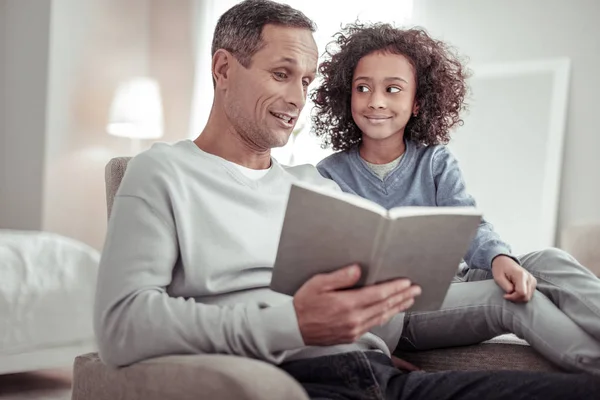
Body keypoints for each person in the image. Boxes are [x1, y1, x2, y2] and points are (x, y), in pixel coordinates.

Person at [94, 1, 600, 399]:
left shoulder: (314, 187)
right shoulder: (162, 172)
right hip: (310, 382)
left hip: (387, 376)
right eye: (281, 74)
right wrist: (294, 323)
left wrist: (372, 325)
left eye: (307, 81)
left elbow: (391, 316)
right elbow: (122, 326)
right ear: (223, 69)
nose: (298, 98)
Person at [313, 22, 600, 375]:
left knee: (548, 259)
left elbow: (468, 222)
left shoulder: (434, 160)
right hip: (399, 310)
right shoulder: (328, 174)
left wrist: (498, 257)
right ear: (347, 95)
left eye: (393, 89)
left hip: (457, 280)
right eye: (363, 88)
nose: (376, 101)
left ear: (417, 103)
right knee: (511, 302)